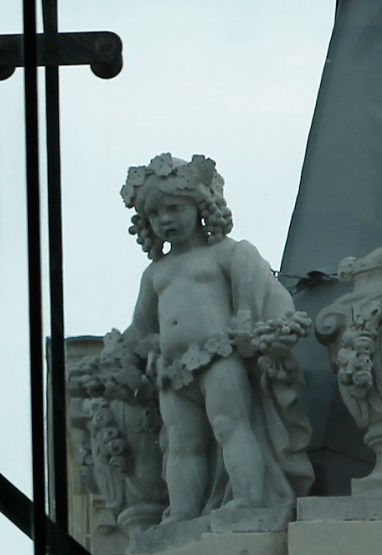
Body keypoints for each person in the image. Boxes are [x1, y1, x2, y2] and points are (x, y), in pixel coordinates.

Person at [121, 154, 312, 523]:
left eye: (174, 208)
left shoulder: (227, 254)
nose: (165, 220)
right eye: (156, 214)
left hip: (218, 357)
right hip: (173, 370)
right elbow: (141, 331)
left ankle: (250, 498)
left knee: (231, 427)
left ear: (200, 205)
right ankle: (183, 511)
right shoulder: (156, 273)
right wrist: (143, 350)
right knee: (181, 445)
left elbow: (263, 301)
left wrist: (255, 334)